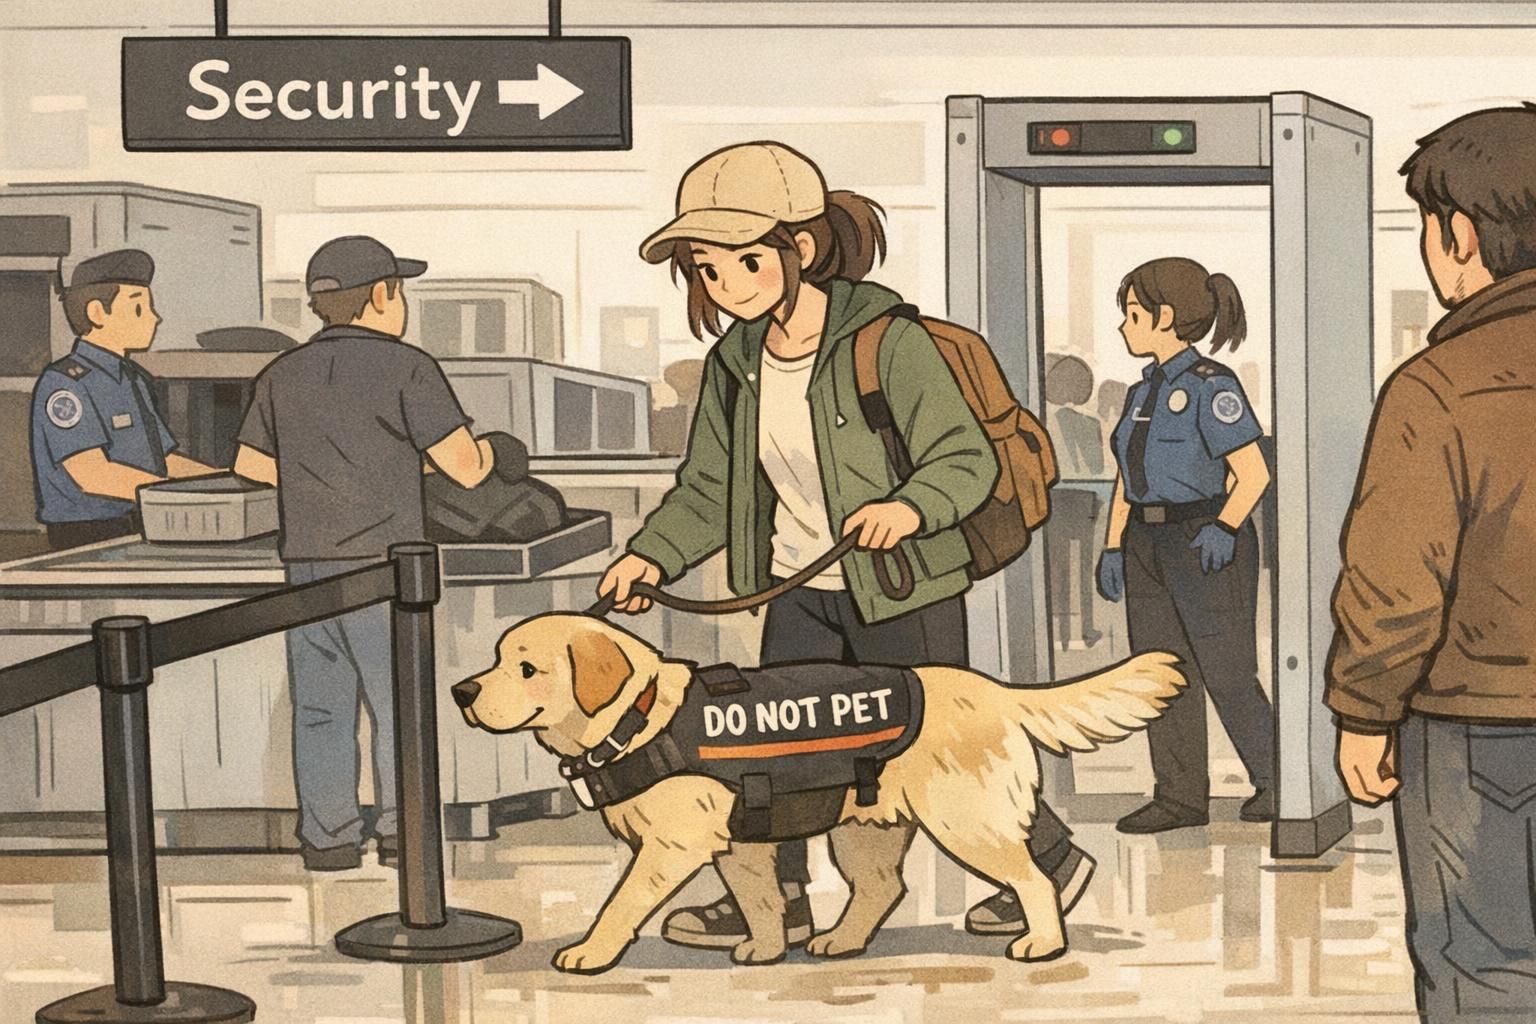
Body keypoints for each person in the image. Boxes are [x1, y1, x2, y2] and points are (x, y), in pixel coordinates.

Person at [598, 140, 1096, 950]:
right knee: (770, 748)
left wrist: (909, 508)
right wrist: (651, 555)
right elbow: (708, 488)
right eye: (706, 270)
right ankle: (778, 899)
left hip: (905, 588)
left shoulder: (888, 343)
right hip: (798, 589)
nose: (723, 287)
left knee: (932, 742)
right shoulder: (734, 360)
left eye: (741, 262)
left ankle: (1047, 855)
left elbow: (964, 460)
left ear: (799, 248)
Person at [1326, 105, 1536, 1021]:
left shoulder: (1437, 387)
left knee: (1485, 965)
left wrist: (1363, 713)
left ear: (1460, 235)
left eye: (1426, 226)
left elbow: (1396, 585)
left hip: (1475, 726)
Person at [232, 235, 495, 872]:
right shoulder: (408, 367)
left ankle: (328, 843)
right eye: (397, 290)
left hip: (306, 565)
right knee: (396, 706)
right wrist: (492, 452)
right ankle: (403, 838)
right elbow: (464, 470)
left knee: (320, 709)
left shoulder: (281, 373)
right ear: (382, 295)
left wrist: (321, 479)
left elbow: (249, 465)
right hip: (386, 569)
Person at [1096, 257, 1275, 834]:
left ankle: (1275, 782)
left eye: (1132, 314)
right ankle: (1179, 797)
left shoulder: (1211, 387)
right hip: (1148, 539)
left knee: (1226, 669)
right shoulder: (1140, 391)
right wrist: (1114, 544)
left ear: (1166, 317)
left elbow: (1253, 474)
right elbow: (1128, 474)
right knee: (1160, 672)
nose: (1123, 327)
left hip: (1203, 534)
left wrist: (1224, 528)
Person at [29, 249, 218, 549]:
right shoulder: (64, 384)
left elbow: (163, 461)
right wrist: (185, 495)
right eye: (139, 308)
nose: (156, 318)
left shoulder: (134, 378)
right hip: (87, 533)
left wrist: (225, 480)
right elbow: (94, 475)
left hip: (138, 519)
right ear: (97, 313)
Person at [1044, 354, 1104, 648]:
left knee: (1055, 565)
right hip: (1083, 500)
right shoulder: (1090, 424)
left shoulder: (1040, 421)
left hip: (1053, 500)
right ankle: (1085, 629)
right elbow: (1096, 468)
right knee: (1084, 567)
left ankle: (1060, 633)